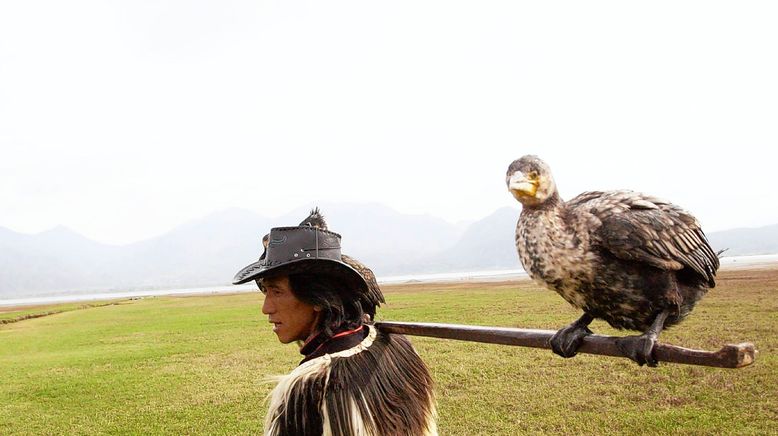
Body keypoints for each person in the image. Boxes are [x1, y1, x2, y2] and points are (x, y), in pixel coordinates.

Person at [233, 223, 437, 436]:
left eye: (277, 291)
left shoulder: (307, 387)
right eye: (265, 291)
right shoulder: (397, 345)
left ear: (317, 298)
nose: (266, 308)